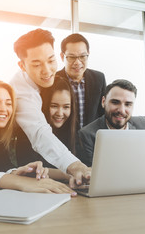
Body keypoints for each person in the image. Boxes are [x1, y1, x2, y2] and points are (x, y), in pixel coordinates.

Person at [10, 28, 90, 185]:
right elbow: (40, 134)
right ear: (22, 66)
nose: (47, 71)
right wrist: (76, 166)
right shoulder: (20, 91)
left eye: (51, 60)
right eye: (36, 64)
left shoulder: (51, 83)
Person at [56, 33, 106, 130]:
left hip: (90, 141)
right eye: (71, 57)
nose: (77, 62)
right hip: (62, 142)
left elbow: (103, 114)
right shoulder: (54, 80)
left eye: (82, 56)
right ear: (62, 56)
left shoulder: (99, 79)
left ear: (88, 53)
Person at [41, 76, 77, 155]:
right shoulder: (31, 136)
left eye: (66, 107)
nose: (60, 113)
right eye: (54, 106)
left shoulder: (75, 137)